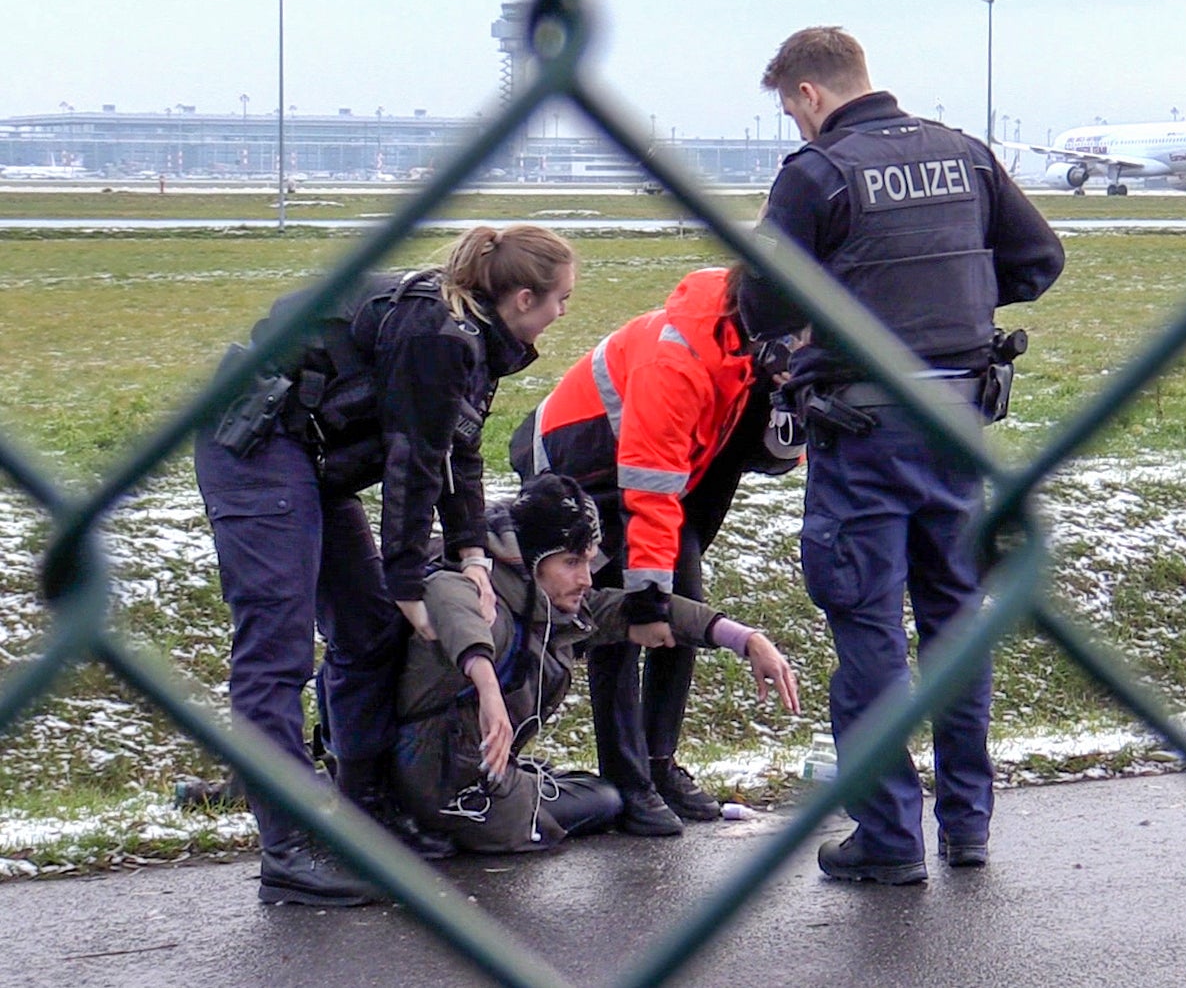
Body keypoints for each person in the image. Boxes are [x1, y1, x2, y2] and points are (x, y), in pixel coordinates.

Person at [741, 27, 1065, 884]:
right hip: (958, 424)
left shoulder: (817, 173)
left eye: (791, 111)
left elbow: (759, 302)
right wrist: (956, 302)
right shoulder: (966, 155)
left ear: (809, 94)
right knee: (956, 621)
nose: (796, 126)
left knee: (868, 629)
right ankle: (967, 824)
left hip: (861, 431)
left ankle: (888, 837)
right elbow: (1039, 260)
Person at [194, 224, 576, 906]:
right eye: (560, 300)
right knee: (277, 650)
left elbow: (458, 451)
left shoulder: (476, 339)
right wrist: (406, 581)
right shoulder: (438, 335)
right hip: (255, 446)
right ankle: (290, 846)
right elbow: (412, 465)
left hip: (314, 458)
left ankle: (363, 808)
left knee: (368, 629)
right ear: (523, 298)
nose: (563, 313)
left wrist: (471, 555)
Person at [509, 265, 800, 835]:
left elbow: (756, 458)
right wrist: (646, 601)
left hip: (658, 476)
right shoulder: (676, 358)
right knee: (625, 618)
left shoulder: (745, 343)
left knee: (682, 600)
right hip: (583, 465)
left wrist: (789, 409)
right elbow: (648, 490)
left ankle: (659, 763)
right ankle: (627, 778)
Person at [392, 472, 801, 854]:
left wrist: (746, 639)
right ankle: (447, 825)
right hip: (442, 788)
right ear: (531, 560)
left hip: (469, 772)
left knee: (595, 791)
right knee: (603, 801)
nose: (586, 578)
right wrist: (486, 685)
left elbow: (639, 610)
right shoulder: (484, 598)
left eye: (588, 561)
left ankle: (511, 789)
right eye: (571, 562)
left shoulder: (547, 607)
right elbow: (450, 600)